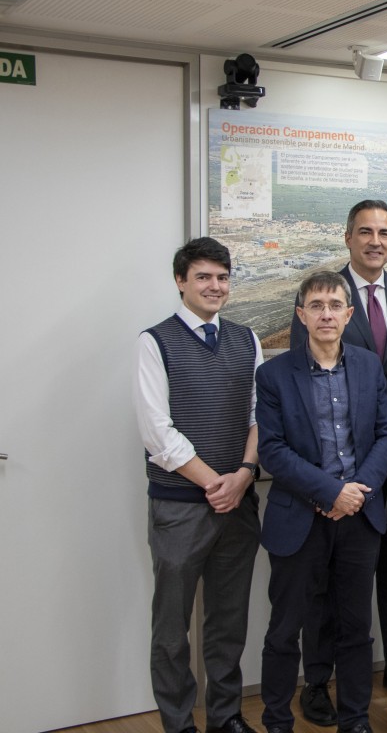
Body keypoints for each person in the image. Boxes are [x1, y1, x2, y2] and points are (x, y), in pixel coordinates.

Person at [289, 199, 387, 725]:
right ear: (348, 237)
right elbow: (300, 386)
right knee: (327, 589)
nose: (377, 241)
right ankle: (318, 684)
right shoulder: (322, 295)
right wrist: (331, 485)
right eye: (366, 232)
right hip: (336, 474)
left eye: (386, 233)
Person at [257, 271, 387, 733]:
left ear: (348, 314)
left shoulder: (366, 365)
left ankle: (355, 719)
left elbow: (386, 435)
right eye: (316, 306)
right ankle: (277, 720)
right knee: (285, 630)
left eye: (334, 305)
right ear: (302, 314)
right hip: (300, 516)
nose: (325, 314)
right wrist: (328, 491)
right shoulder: (274, 374)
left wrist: (353, 493)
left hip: (359, 517)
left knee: (356, 629)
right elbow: (273, 449)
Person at [134, 236, 262, 733]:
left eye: (222, 277)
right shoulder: (155, 342)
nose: (215, 286)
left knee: (228, 624)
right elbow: (157, 432)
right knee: (171, 628)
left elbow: (259, 415)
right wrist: (217, 484)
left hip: (240, 502)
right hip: (180, 507)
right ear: (181, 281)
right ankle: (179, 722)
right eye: (204, 276)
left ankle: (225, 717)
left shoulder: (245, 339)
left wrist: (245, 474)